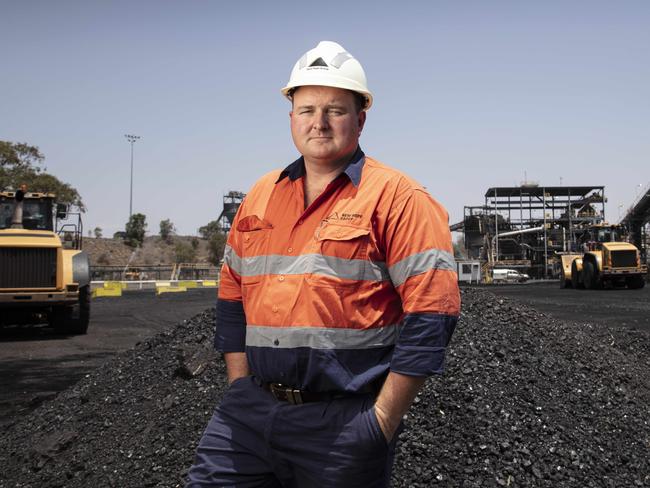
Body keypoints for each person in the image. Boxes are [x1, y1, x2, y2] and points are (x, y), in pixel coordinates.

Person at [186, 40, 460, 488]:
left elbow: (433, 311)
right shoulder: (261, 194)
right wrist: (238, 387)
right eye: (307, 108)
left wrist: (382, 420)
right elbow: (232, 296)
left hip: (342, 424)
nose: (319, 122)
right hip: (248, 417)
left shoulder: (399, 198)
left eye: (335, 109)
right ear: (291, 116)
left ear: (361, 118)